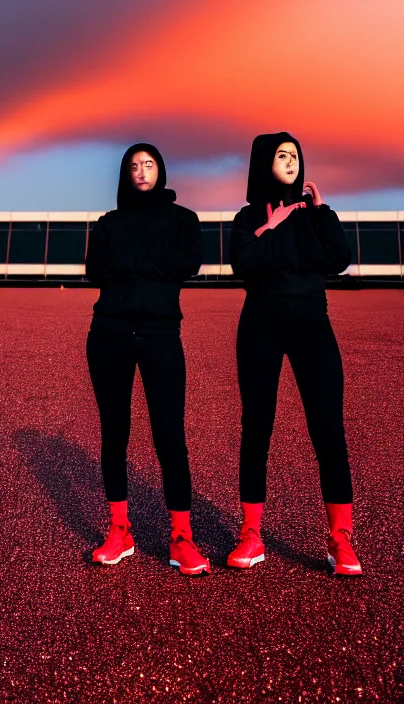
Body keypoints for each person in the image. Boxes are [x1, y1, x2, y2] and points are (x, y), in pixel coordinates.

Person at [228, 132, 362, 576]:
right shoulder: (248, 217)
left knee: (328, 430)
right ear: (264, 162)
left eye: (295, 155)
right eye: (281, 155)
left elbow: (338, 258)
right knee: (257, 428)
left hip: (312, 325)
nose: (290, 161)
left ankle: (340, 539)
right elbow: (244, 263)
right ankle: (251, 535)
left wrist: (322, 213)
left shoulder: (316, 216)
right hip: (260, 325)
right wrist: (271, 225)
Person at [85, 142, 210, 575]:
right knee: (114, 433)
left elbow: (188, 261)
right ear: (125, 173)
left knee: (170, 437)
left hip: (160, 336)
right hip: (109, 335)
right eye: (134, 165)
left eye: (149, 164)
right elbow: (94, 269)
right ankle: (120, 531)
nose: (141, 171)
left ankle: (181, 538)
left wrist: (130, 263)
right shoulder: (108, 222)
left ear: (162, 170)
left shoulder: (183, 220)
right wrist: (151, 264)